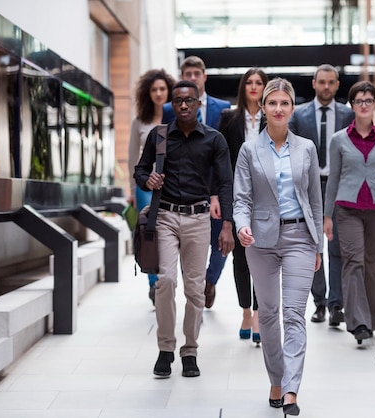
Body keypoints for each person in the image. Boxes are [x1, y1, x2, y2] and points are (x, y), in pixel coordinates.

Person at [233, 78, 322, 416]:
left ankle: (291, 390)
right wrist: (242, 224)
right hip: (260, 240)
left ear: (292, 108)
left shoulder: (307, 148)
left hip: (300, 237)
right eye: (273, 103)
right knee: (268, 314)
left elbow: (315, 200)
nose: (279, 109)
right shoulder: (248, 150)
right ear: (263, 108)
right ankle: (276, 377)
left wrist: (318, 249)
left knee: (293, 314)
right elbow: (241, 197)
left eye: (285, 103)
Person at [134, 80, 235, 378]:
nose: (183, 105)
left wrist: (227, 223)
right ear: (172, 105)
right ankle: (165, 349)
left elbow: (226, 183)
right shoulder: (159, 136)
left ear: (198, 104)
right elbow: (141, 170)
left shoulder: (214, 139)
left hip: (199, 219)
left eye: (189, 100)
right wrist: (147, 180)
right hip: (164, 215)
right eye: (178, 101)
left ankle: (190, 350)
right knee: (164, 280)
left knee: (195, 288)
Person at [323, 80, 375, 345]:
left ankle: (371, 319)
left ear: (374, 105)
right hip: (347, 209)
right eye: (358, 101)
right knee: (353, 262)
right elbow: (333, 178)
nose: (363, 105)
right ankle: (357, 322)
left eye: (368, 101)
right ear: (352, 105)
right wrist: (327, 216)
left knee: (373, 265)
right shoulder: (338, 140)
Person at [163, 56, 232, 309]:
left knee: (222, 240)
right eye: (187, 73)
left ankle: (210, 281)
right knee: (186, 244)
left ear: (205, 76)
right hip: (183, 188)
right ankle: (194, 289)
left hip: (216, 186)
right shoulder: (169, 110)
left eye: (196, 73)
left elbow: (226, 150)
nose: (192, 77)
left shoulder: (223, 108)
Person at [288, 64, 354, 326]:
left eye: (331, 82)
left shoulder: (348, 116)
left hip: (339, 188)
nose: (326, 87)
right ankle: (320, 303)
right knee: (313, 246)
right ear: (314, 83)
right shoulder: (299, 115)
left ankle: (337, 304)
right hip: (309, 188)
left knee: (336, 246)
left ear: (338, 85)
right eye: (322, 82)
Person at [218, 67, 269, 343]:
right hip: (237, 192)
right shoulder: (228, 119)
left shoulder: (272, 117)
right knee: (240, 256)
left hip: (266, 195)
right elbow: (220, 160)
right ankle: (246, 311)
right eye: (248, 82)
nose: (253, 86)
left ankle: (260, 314)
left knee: (262, 255)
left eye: (259, 82)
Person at [127, 68, 176, 305]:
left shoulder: (178, 119)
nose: (158, 93)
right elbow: (132, 159)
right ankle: (154, 282)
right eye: (154, 89)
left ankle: (168, 277)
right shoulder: (140, 122)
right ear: (148, 93)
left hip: (173, 184)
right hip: (146, 186)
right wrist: (132, 189)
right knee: (150, 230)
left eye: (162, 89)